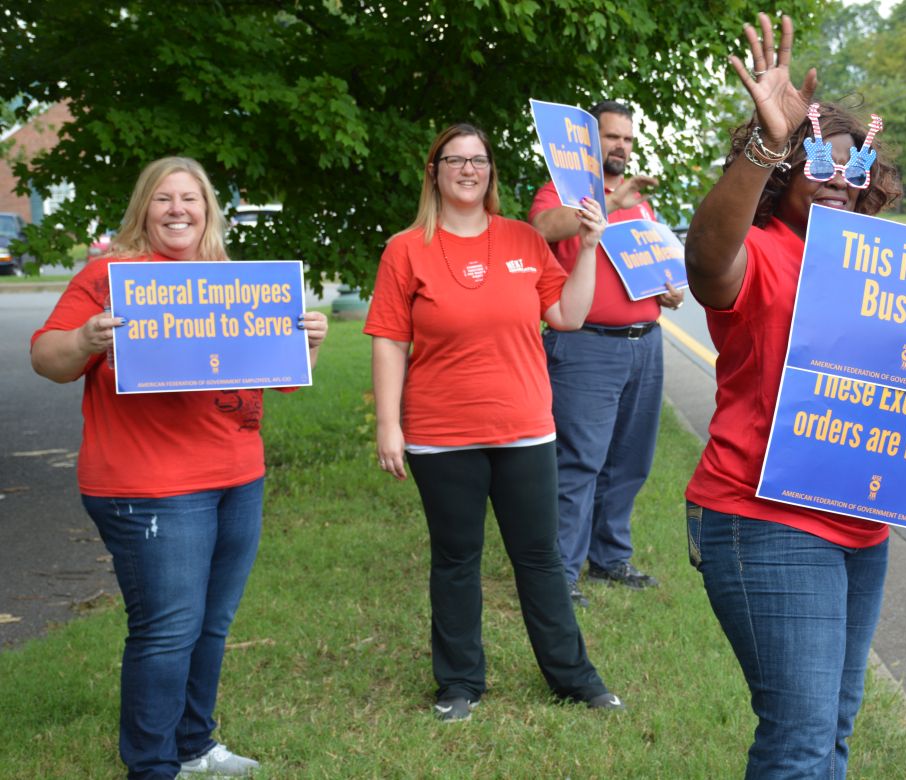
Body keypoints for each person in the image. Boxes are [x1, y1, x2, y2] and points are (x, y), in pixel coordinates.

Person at [682, 14, 906, 779]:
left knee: (832, 736)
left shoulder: (892, 273)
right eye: (817, 161)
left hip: (859, 531)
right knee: (800, 742)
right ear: (788, 170)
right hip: (764, 519)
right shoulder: (765, 254)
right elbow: (706, 259)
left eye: (853, 166)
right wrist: (763, 141)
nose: (838, 179)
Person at [30, 156, 329, 779]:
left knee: (211, 625)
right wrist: (86, 339)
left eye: (190, 199)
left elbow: (280, 383)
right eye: (163, 198)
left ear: (208, 209)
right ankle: (152, 766)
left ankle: (194, 745)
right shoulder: (108, 278)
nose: (177, 210)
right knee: (168, 630)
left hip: (237, 477)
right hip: (150, 485)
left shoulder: (230, 281)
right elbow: (47, 359)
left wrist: (307, 347)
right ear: (144, 208)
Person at [364, 123, 623, 722]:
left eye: (478, 160)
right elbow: (387, 341)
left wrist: (588, 247)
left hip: (525, 430)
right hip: (439, 432)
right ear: (435, 172)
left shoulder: (524, 239)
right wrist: (388, 424)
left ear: (490, 173)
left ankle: (574, 678)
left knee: (539, 558)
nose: (467, 169)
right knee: (456, 559)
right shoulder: (406, 248)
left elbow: (569, 315)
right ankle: (459, 684)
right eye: (454, 159)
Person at [528, 100, 684, 607]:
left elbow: (651, 262)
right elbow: (541, 231)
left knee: (628, 462)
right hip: (585, 348)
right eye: (611, 137)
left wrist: (670, 290)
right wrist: (609, 202)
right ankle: (560, 575)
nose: (620, 147)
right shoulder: (562, 191)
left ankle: (609, 559)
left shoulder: (641, 201)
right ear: (587, 143)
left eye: (628, 140)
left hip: (645, 344)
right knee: (578, 464)